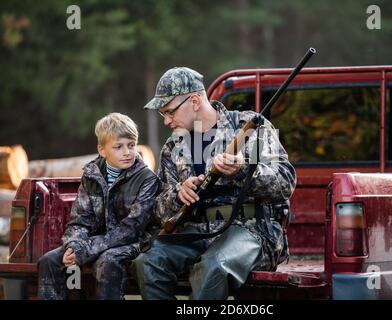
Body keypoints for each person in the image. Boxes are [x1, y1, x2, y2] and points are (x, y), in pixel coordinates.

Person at [133, 67, 296, 300]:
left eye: (169, 112)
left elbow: (285, 184)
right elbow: (158, 210)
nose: (167, 121)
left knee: (214, 267)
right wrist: (179, 195)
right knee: (147, 264)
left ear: (195, 101)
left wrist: (243, 170)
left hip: (251, 231)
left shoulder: (250, 127)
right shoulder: (174, 146)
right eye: (163, 115)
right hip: (196, 232)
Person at [37, 112, 160, 300]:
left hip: (136, 243)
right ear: (102, 150)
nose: (127, 152)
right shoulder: (92, 176)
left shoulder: (147, 179)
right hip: (94, 243)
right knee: (50, 260)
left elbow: (132, 229)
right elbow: (79, 220)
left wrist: (86, 249)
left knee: (107, 260)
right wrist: (74, 246)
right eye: (118, 147)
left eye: (131, 145)